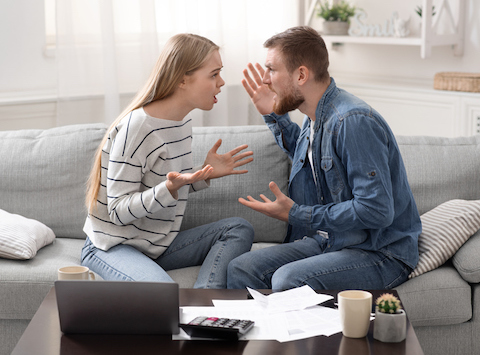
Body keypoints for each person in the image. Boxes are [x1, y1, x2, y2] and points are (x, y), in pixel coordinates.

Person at [227, 26, 421, 291]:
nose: (264, 79)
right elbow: (312, 158)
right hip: (333, 240)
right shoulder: (315, 115)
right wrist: (273, 115)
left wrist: (297, 214)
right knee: (242, 268)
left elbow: (376, 210)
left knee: (288, 279)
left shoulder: (352, 121)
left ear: (301, 74)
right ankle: (257, 333)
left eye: (271, 69)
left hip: (379, 252)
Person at [82, 33, 255, 288]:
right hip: (112, 246)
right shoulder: (137, 128)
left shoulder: (181, 122)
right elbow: (118, 211)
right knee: (164, 294)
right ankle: (200, 313)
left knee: (238, 228)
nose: (222, 82)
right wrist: (169, 189)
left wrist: (202, 175)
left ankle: (204, 303)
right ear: (183, 79)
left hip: (157, 246)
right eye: (214, 74)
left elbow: (170, 182)